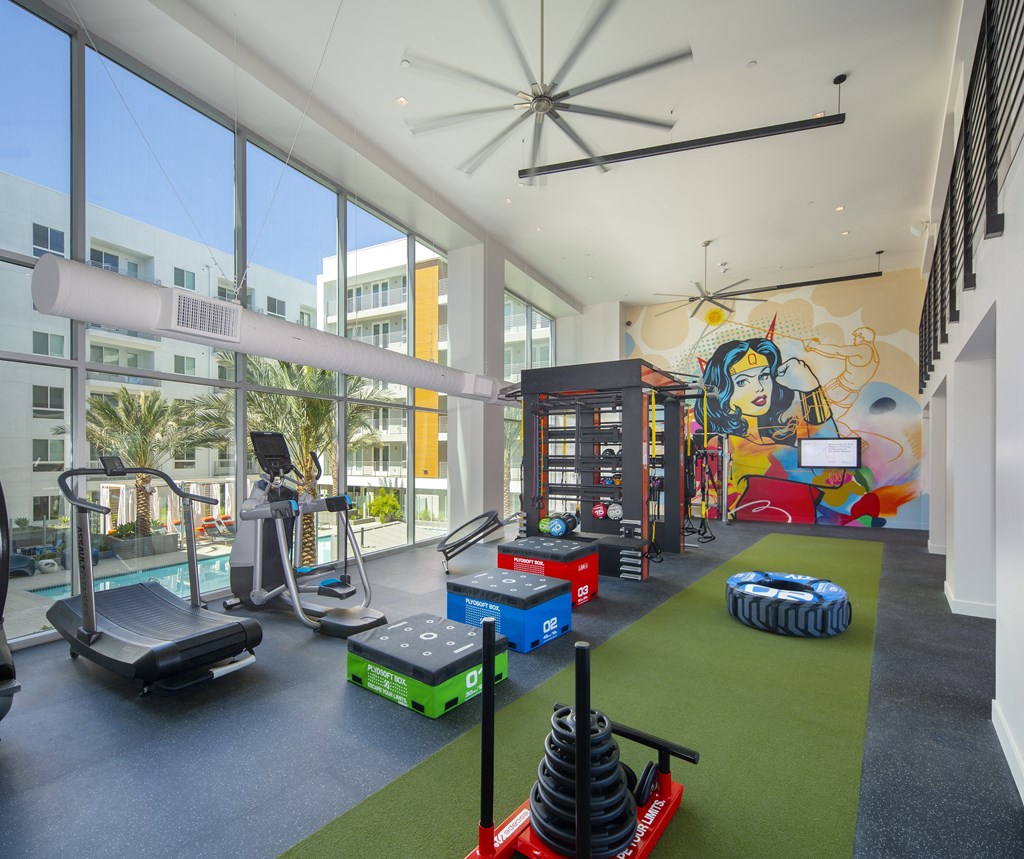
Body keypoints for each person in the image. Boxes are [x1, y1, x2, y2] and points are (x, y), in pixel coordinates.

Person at [698, 337, 835, 444]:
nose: (760, 387)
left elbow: (829, 458)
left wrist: (809, 386)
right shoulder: (725, 444)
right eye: (742, 381)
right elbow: (824, 460)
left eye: (764, 376)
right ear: (722, 391)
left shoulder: (777, 436)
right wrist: (810, 388)